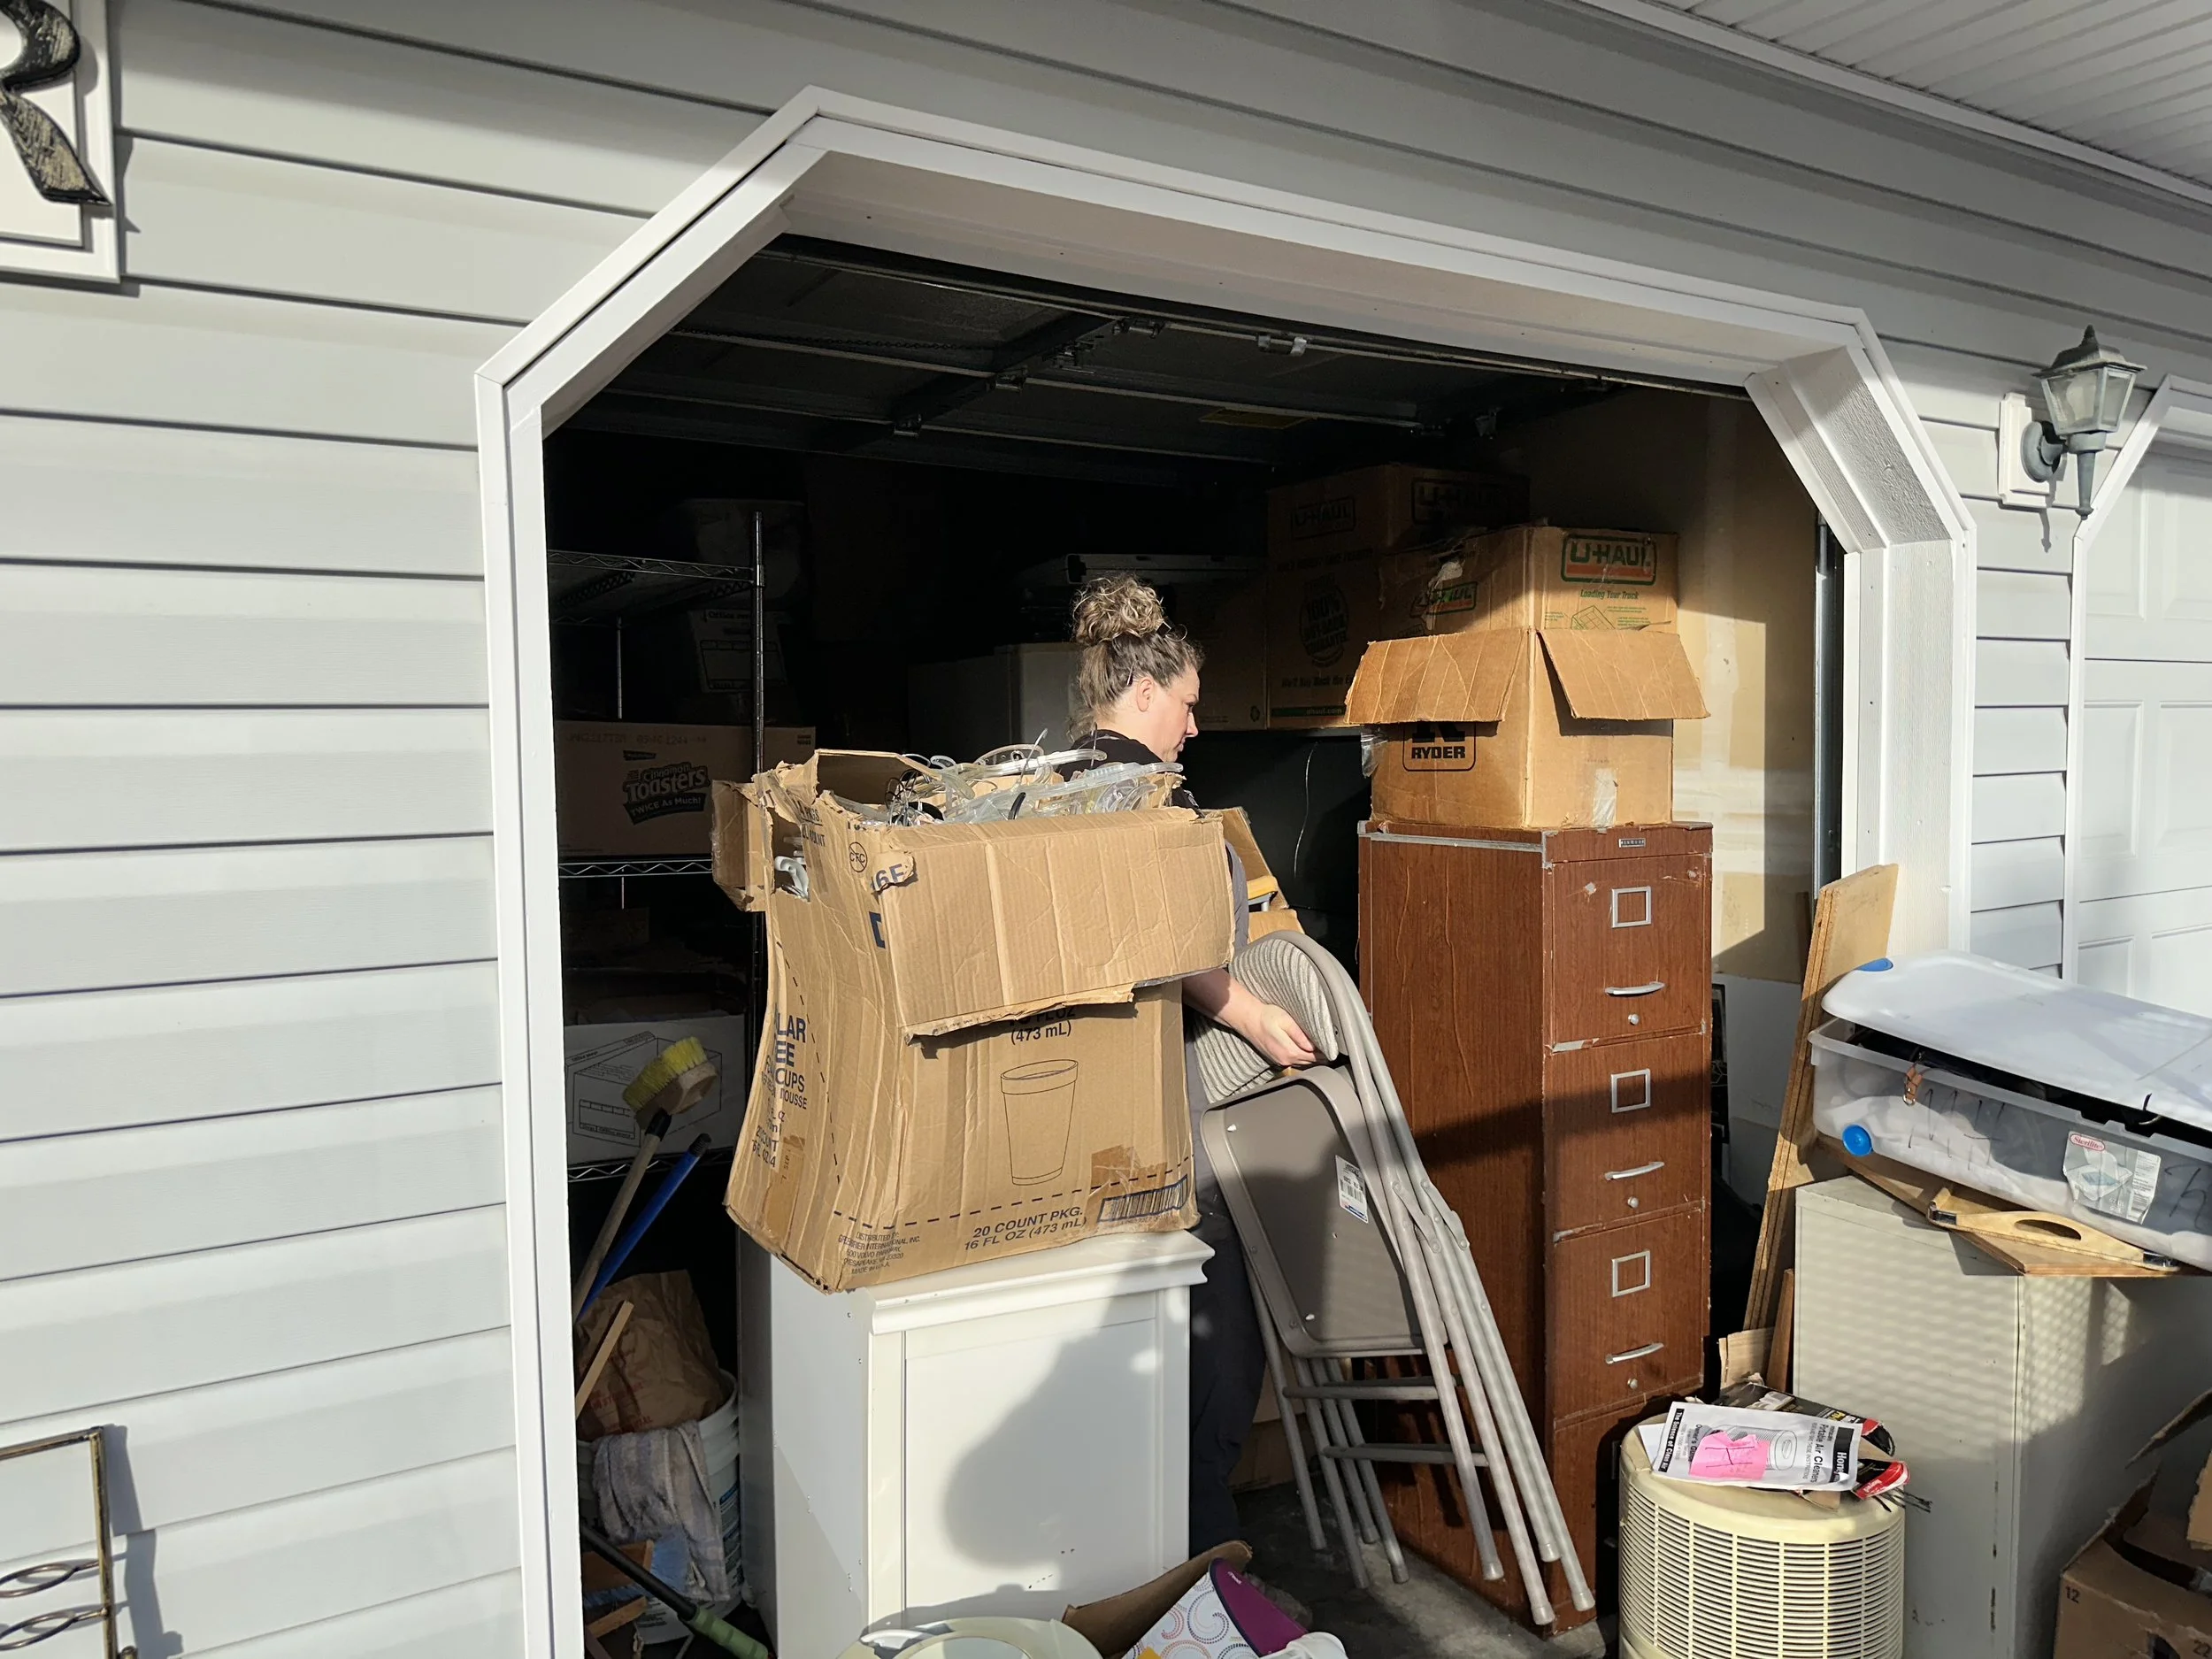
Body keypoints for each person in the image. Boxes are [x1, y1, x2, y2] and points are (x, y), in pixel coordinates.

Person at [1067, 575, 1317, 1557]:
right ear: (1143, 697)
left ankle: (1140, 1554)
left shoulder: (1040, 784)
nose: (1196, 727)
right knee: (1215, 1345)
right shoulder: (1136, 798)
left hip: (1076, 1126)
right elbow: (1154, 934)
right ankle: (1202, 1571)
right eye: (1189, 706)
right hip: (1159, 1117)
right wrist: (1250, 1009)